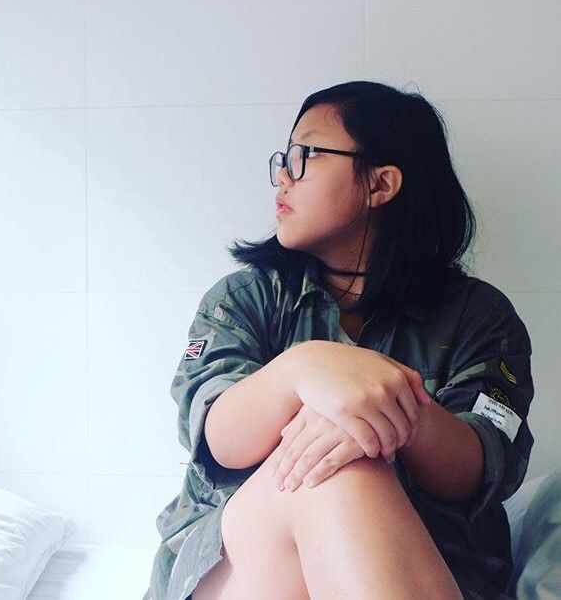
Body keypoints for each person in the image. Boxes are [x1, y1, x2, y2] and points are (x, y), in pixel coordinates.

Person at [143, 80, 535, 600]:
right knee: (330, 467)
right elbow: (220, 439)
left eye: (305, 155)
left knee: (348, 457)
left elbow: (482, 467)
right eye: (284, 158)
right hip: (243, 567)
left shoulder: (479, 317)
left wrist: (392, 416)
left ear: (380, 184)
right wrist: (302, 368)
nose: (283, 176)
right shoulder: (245, 299)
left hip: (427, 565)